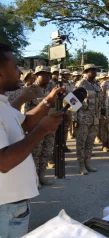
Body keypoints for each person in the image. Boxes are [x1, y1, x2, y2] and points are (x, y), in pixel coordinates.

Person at [0, 43, 64, 237]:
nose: (20, 71)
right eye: (14, 67)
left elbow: (25, 122)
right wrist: (42, 130)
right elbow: (3, 162)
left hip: (12, 204)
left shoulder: (2, 103)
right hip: (4, 208)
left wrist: (48, 101)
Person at [24, 66, 58, 188]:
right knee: (35, 153)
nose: (48, 76)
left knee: (47, 151)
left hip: (50, 126)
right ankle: (34, 179)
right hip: (36, 128)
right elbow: (26, 112)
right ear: (36, 76)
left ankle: (41, 175)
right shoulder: (30, 90)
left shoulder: (52, 89)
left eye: (49, 74)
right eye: (44, 74)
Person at [75, 64, 101, 175]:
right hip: (83, 117)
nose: (95, 72)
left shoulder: (96, 84)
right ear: (86, 71)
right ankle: (81, 165)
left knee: (90, 142)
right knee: (81, 142)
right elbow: (73, 102)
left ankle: (88, 163)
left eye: (95, 70)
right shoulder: (81, 84)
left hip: (94, 118)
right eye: (92, 70)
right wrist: (74, 119)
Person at [61, 69, 75, 153]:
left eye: (68, 74)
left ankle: (64, 144)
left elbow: (72, 96)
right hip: (61, 108)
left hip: (69, 108)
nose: (68, 76)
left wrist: (75, 107)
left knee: (66, 128)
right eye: (66, 74)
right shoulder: (58, 84)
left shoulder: (70, 84)